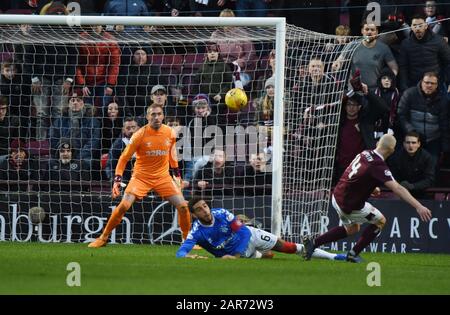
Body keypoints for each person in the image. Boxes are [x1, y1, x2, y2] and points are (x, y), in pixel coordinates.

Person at [304, 134, 433, 263]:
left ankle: (313, 243)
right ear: (392, 151)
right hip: (350, 205)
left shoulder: (365, 153)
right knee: (380, 221)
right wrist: (419, 206)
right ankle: (353, 254)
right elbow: (398, 188)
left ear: (378, 144)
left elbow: (356, 176)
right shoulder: (378, 165)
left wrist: (371, 188)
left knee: (352, 229)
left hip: (337, 197)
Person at [88, 103, 191, 248]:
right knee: (123, 205)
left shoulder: (170, 133)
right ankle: (103, 238)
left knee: (183, 207)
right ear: (148, 117)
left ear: (163, 116)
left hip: (163, 178)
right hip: (141, 178)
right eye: (153, 114)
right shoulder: (139, 135)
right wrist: (117, 180)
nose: (156, 117)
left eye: (159, 114)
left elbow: (172, 155)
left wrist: (177, 175)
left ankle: (187, 241)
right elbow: (123, 158)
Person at [176, 197, 347, 261]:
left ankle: (336, 257)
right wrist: (192, 256)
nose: (205, 210)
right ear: (194, 214)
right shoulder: (196, 232)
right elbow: (180, 253)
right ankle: (262, 255)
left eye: (205, 206)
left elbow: (242, 231)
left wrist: (235, 255)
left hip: (249, 237)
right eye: (199, 209)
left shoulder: (221, 214)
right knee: (266, 256)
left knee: (288, 247)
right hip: (239, 255)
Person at [389, 131, 435, 199]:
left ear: (419, 144)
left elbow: (429, 180)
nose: (410, 145)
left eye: (413, 143)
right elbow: (392, 176)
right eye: (408, 142)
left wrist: (412, 186)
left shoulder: (427, 157)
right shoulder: (397, 157)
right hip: (402, 191)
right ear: (404, 144)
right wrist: (400, 186)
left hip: (422, 193)